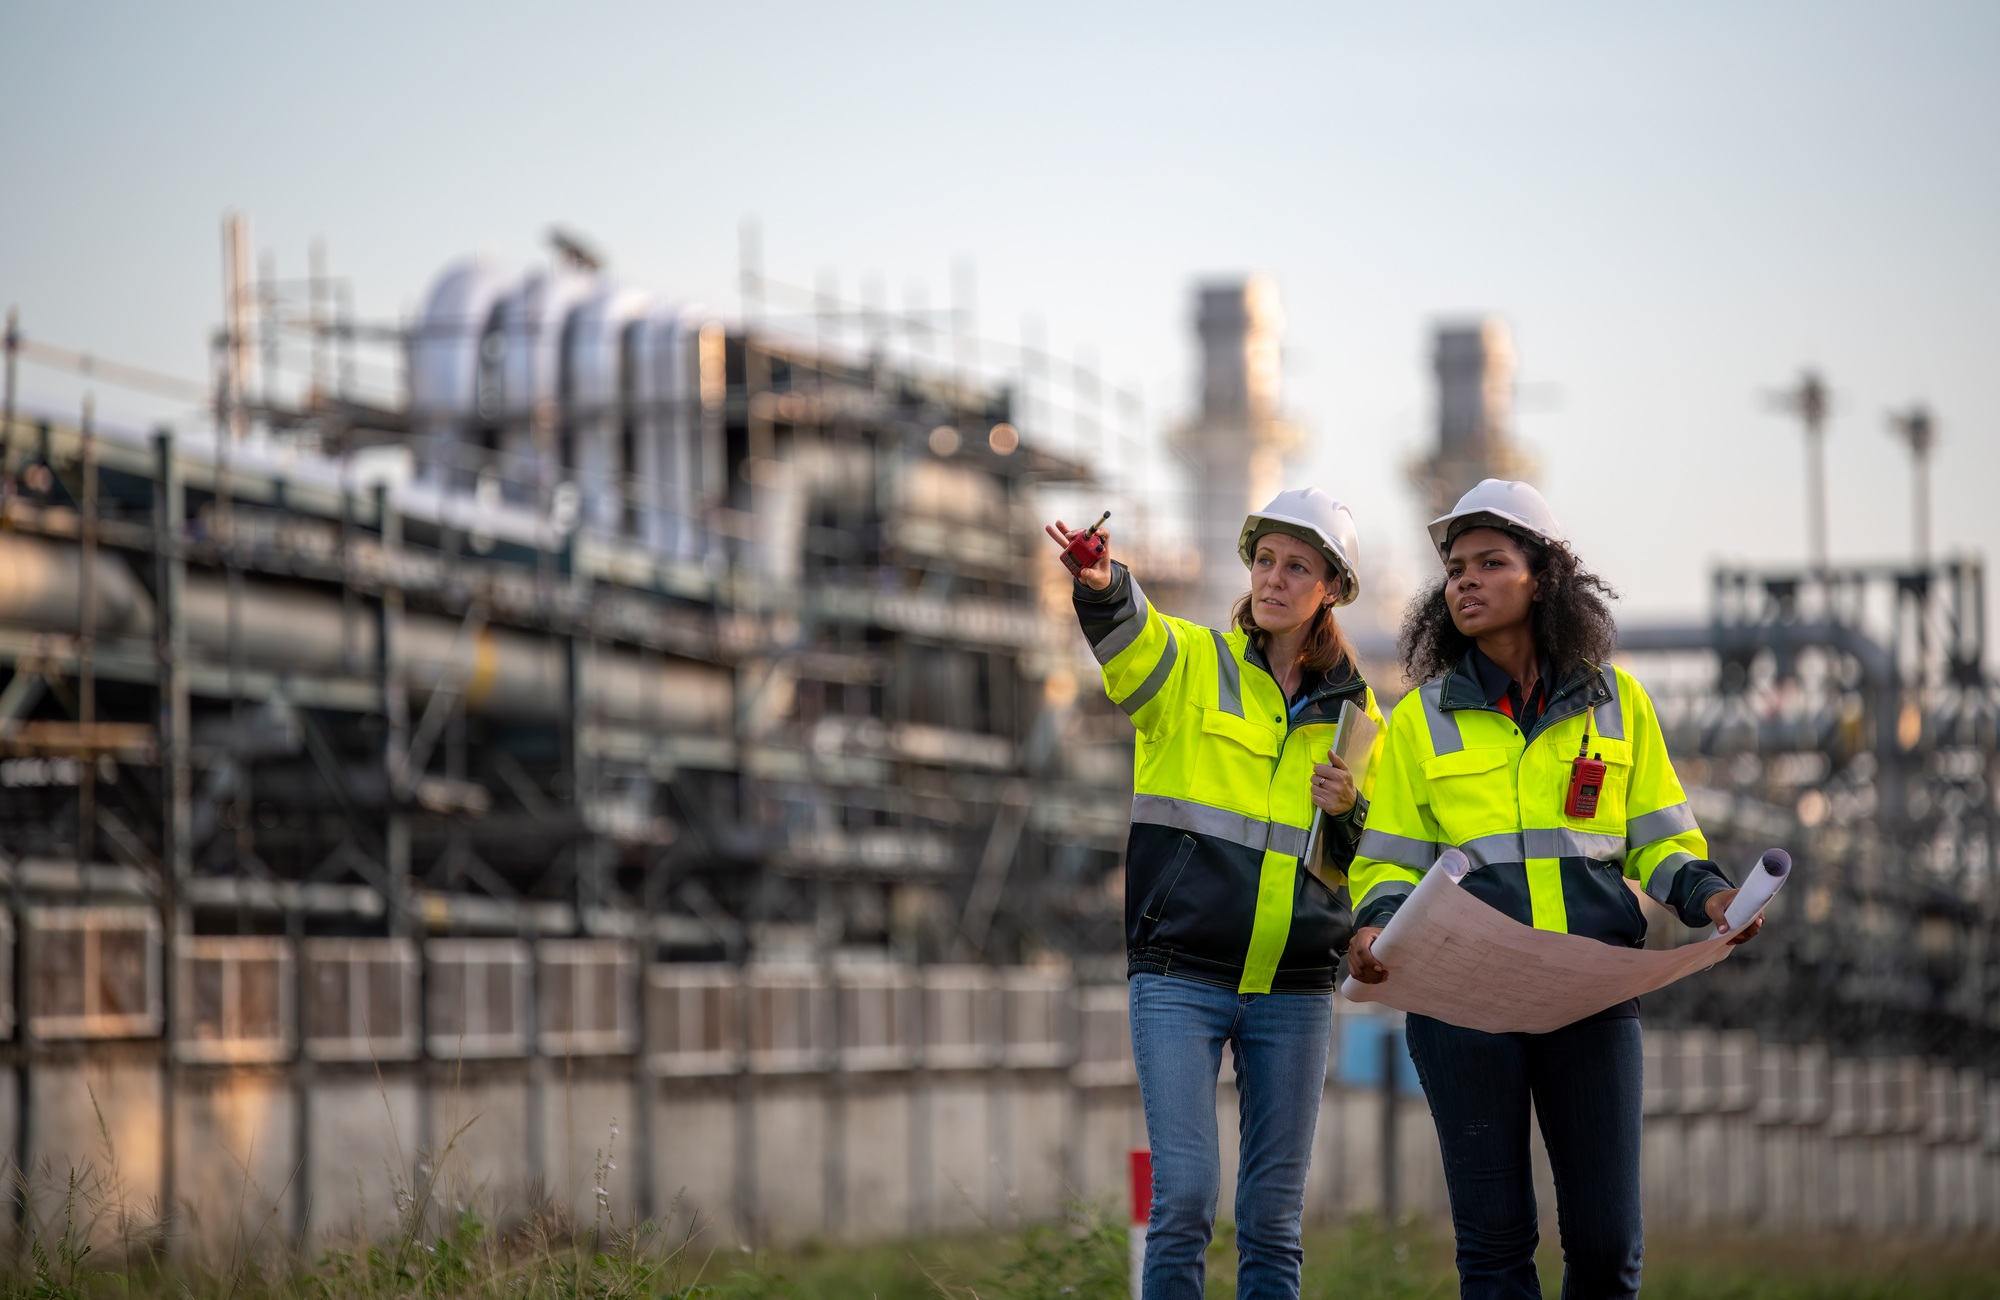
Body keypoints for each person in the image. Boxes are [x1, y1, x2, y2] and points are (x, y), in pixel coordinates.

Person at [1345, 479, 1764, 1300]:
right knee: (1496, 1254)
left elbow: (1661, 840)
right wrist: (1375, 927)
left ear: (1544, 577)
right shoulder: (1420, 719)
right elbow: (1388, 861)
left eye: (1490, 563)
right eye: (1456, 568)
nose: (1464, 580)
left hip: (1590, 994)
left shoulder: (1617, 706)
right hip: (1463, 1002)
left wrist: (1713, 899)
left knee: (1608, 1247)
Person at [1049, 488, 1386, 1300]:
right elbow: (1131, 636)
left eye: (1296, 566)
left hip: (1295, 987)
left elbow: (1367, 860)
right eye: (1264, 561)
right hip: (1178, 978)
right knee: (1186, 1201)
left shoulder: (1359, 715)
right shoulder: (1194, 666)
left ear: (1331, 587)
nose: (1272, 579)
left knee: (1272, 1220)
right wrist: (1100, 580)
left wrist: (1350, 811)